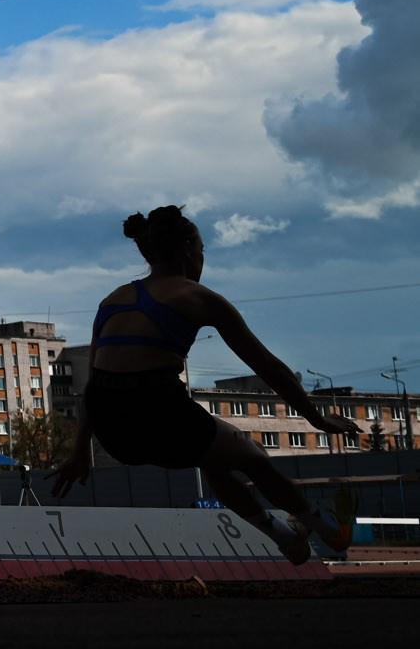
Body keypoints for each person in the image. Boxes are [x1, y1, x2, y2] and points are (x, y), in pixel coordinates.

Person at [52, 206, 356, 564]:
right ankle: (326, 529)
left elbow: (95, 386)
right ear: (187, 250)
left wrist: (79, 453)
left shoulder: (112, 300)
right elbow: (270, 368)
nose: (201, 260)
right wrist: (316, 419)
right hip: (161, 413)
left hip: (114, 431)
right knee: (254, 458)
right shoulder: (198, 297)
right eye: (202, 251)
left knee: (215, 459)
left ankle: (286, 539)